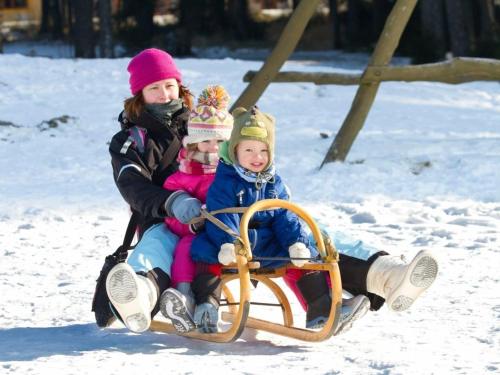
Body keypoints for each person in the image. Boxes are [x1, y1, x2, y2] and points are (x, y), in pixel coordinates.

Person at [169, 106, 439, 335]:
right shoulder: (220, 179)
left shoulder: (272, 180)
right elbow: (220, 214)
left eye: (262, 151)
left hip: (267, 243)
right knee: (205, 259)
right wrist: (228, 242)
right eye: (248, 150)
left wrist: (296, 243)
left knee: (307, 253)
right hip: (230, 244)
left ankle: (325, 309)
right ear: (234, 150)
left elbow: (285, 215)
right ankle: (205, 306)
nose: (256, 157)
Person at [104, 48, 203, 333]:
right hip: (163, 217)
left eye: (170, 85)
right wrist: (171, 202)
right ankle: (139, 293)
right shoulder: (131, 140)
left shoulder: (202, 126)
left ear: (180, 88)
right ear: (140, 95)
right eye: (154, 88)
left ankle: (327, 283)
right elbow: (132, 184)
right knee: (157, 247)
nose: (164, 94)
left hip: (215, 212)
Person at [157, 85, 234, 333]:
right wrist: (188, 223)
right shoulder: (182, 176)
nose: (213, 147)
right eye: (206, 141)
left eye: (220, 141)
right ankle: (183, 296)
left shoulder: (233, 173)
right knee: (187, 247)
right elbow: (172, 216)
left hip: (229, 233)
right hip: (195, 232)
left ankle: (202, 303)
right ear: (193, 143)